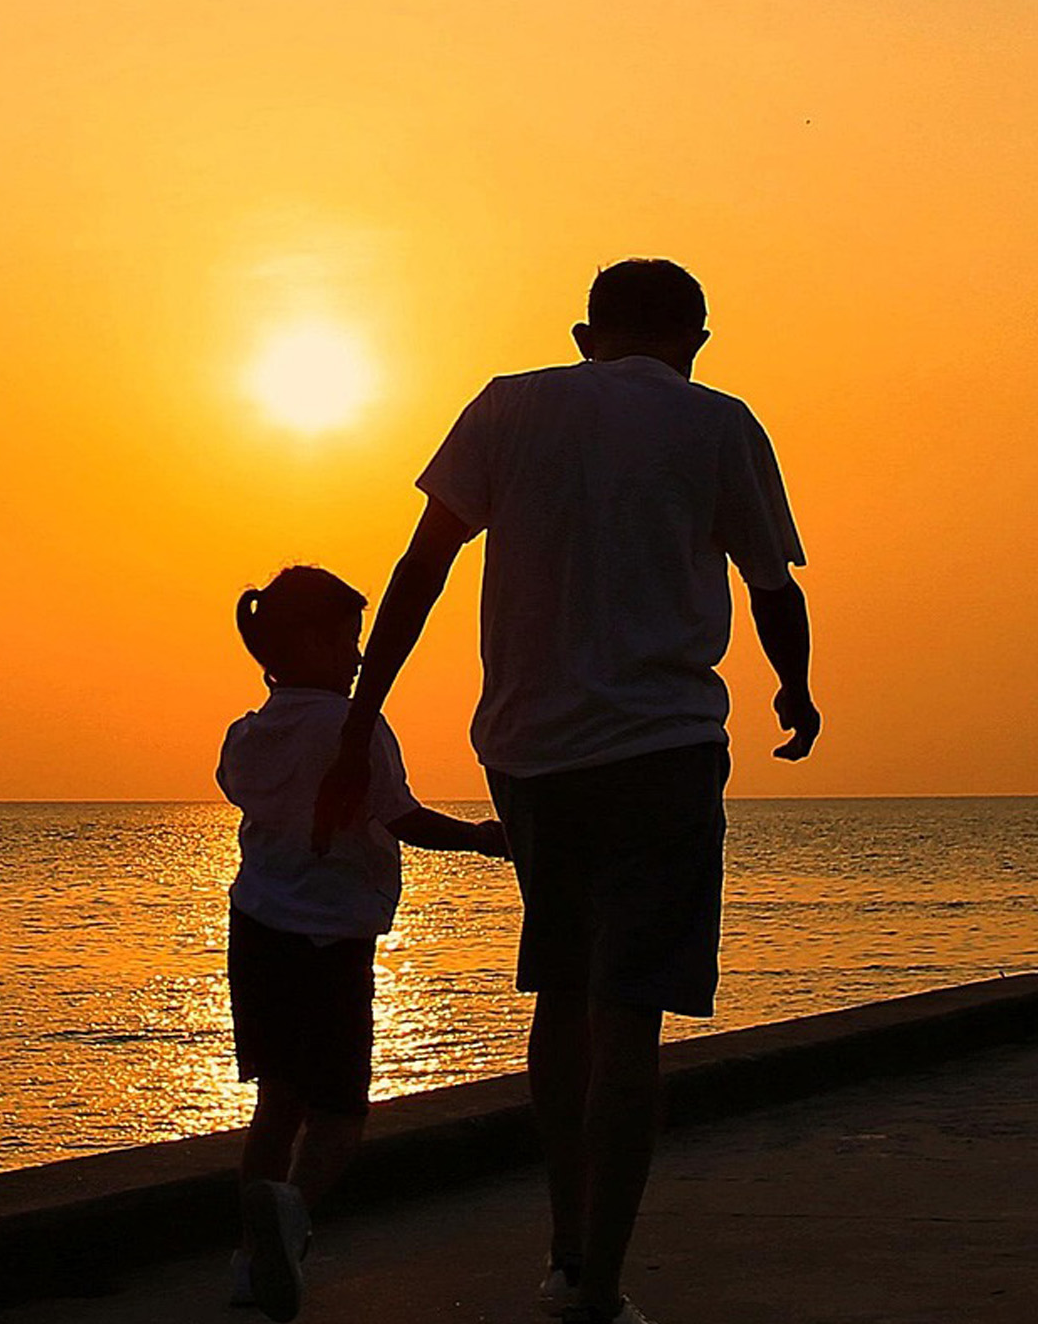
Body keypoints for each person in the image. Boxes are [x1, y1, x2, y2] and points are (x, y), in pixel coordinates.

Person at [325, 259, 817, 1324]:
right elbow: (771, 583)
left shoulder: (510, 405)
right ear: (695, 338)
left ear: (587, 331)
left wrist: (360, 718)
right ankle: (599, 1282)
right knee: (626, 1016)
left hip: (532, 755)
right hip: (662, 750)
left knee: (560, 992)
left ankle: (559, 1250)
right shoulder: (719, 423)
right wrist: (795, 689)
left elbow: (422, 564)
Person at [219, 565, 506, 1322]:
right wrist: (484, 840)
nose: (357, 661)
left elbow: (250, 796)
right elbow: (400, 816)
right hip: (332, 940)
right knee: (341, 1116)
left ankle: (250, 1261)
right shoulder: (356, 729)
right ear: (313, 640)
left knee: (276, 1102)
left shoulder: (245, 737)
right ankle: (294, 1212)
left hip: (256, 929)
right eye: (350, 641)